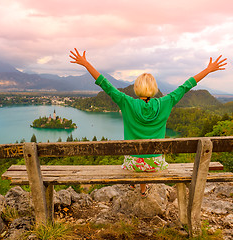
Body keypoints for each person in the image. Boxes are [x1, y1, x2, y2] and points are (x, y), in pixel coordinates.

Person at [69, 48, 227, 198]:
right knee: (146, 154)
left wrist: (86, 64)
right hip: (156, 163)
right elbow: (186, 86)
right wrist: (208, 70)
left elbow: (106, 84)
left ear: (137, 88)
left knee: (138, 153)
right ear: (155, 89)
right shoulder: (167, 102)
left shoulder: (126, 102)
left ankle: (135, 184)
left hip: (132, 163)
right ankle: (143, 191)